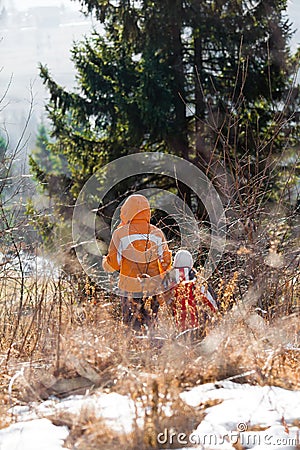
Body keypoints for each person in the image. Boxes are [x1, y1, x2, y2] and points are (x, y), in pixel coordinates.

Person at [102, 194, 172, 330]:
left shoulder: (120, 234)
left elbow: (112, 265)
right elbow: (166, 262)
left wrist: (105, 262)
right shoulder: (157, 233)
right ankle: (154, 349)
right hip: (153, 288)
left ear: (126, 211)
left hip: (129, 288)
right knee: (152, 324)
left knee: (131, 326)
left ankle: (135, 349)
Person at [163, 249, 218, 333]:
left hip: (173, 328)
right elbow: (211, 302)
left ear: (175, 262)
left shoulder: (167, 279)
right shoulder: (197, 279)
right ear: (191, 263)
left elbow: (160, 302)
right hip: (196, 325)